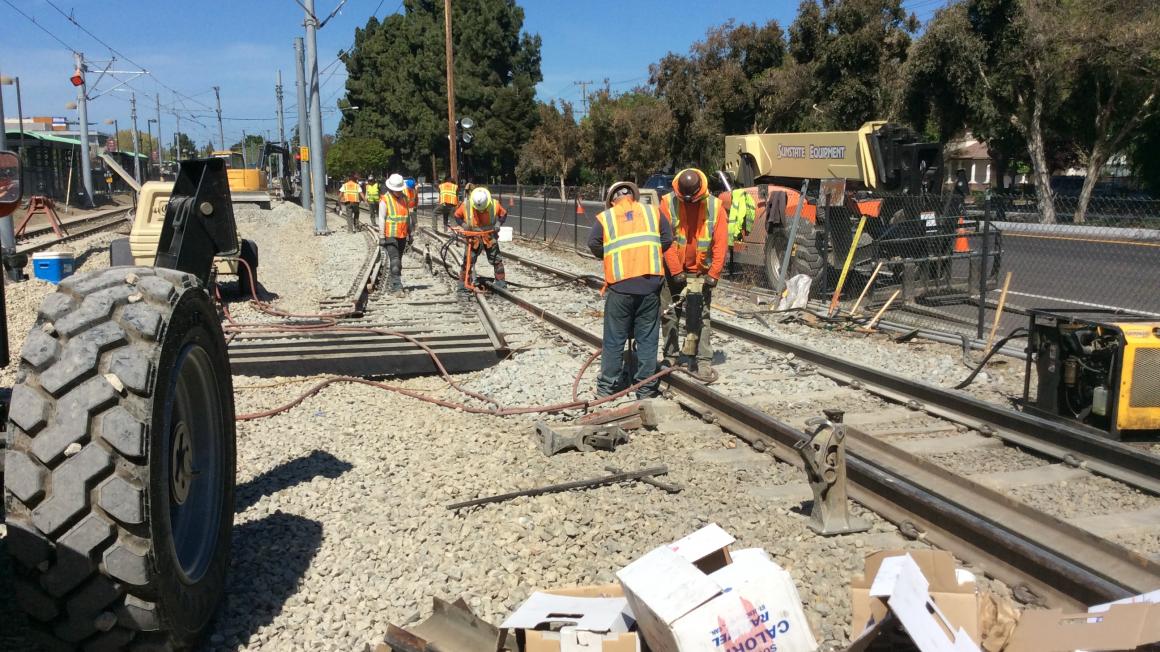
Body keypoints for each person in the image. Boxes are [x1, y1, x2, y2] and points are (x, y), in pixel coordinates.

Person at [589, 181, 673, 399]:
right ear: (633, 196)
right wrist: (648, 253)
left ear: (611, 200)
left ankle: (607, 388)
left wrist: (613, 255)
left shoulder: (605, 218)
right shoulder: (652, 212)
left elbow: (594, 244)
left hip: (620, 287)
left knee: (614, 338)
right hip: (650, 286)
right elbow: (667, 239)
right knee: (647, 337)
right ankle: (645, 388)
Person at [658, 168, 728, 377]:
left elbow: (721, 242)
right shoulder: (667, 203)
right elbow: (665, 239)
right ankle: (671, 356)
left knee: (701, 316)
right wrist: (676, 269)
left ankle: (702, 360)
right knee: (670, 313)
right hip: (673, 270)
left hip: (700, 271)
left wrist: (714, 273)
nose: (689, 202)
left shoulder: (715, 206)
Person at [453, 186, 508, 290]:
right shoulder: (466, 205)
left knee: (497, 260)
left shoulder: (494, 204)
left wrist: (498, 223)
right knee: (468, 261)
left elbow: (503, 214)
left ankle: (501, 284)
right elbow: (457, 216)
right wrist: (463, 225)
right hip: (473, 237)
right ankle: (463, 284)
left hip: (489, 237)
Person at [379, 173, 414, 294]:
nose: (398, 192)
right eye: (396, 190)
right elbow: (382, 218)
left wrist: (411, 233)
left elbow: (407, 216)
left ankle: (393, 281)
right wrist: (382, 236)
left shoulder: (404, 198)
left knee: (399, 260)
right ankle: (397, 286)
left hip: (403, 234)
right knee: (395, 260)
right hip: (391, 234)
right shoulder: (385, 199)